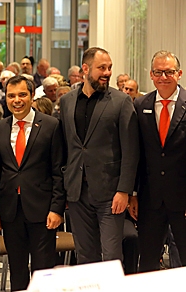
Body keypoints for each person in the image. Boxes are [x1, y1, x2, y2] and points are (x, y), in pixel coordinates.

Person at [59, 47, 139, 265]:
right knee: (85, 255)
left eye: (110, 67)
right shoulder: (67, 102)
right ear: (85, 69)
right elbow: (66, 147)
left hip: (110, 193)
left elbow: (131, 151)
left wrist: (124, 190)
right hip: (77, 192)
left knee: (112, 255)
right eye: (101, 68)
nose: (107, 72)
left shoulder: (121, 102)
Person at [0, 75, 65, 291]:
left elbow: (59, 170)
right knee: (18, 270)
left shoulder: (51, 125)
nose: (17, 100)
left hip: (42, 210)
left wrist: (56, 208)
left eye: (22, 95)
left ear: (32, 96)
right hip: (10, 210)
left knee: (43, 271)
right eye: (11, 96)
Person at [132, 50, 186, 272]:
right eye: (158, 72)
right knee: (147, 263)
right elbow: (135, 154)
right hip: (150, 200)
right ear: (151, 75)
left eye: (169, 72)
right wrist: (133, 194)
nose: (164, 77)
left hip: (182, 199)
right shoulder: (140, 105)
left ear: (179, 74)